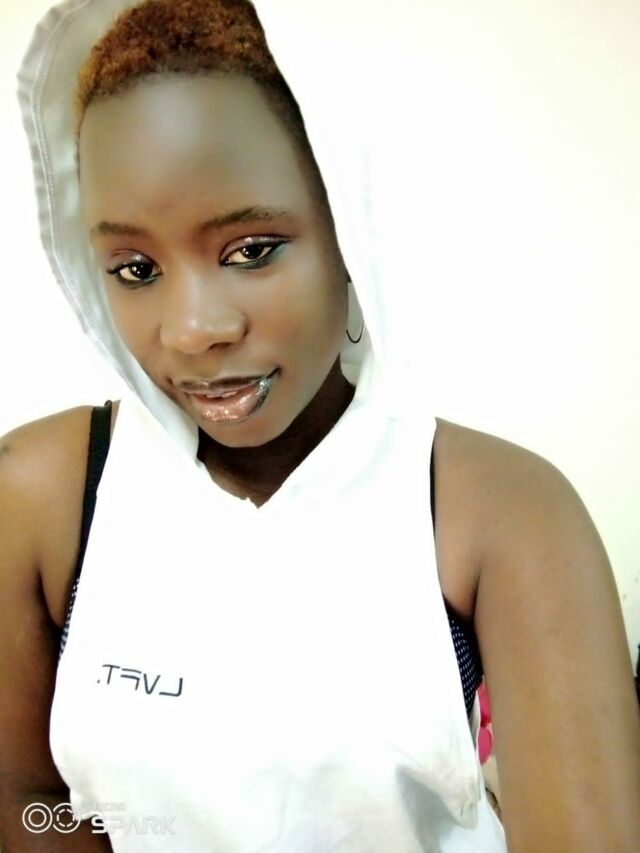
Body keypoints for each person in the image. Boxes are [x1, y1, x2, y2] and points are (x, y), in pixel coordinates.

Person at [1, 0, 639, 850]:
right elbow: (28, 798)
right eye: (136, 267)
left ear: (348, 228)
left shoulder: (498, 512)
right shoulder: (45, 496)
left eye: (251, 250)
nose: (193, 330)